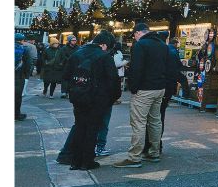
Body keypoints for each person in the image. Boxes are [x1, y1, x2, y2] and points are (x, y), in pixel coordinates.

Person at [117, 21, 179, 167]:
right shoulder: (163, 46)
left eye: (135, 35)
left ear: (138, 33)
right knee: (155, 121)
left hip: (144, 89)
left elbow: (136, 69)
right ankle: (154, 152)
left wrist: (133, 88)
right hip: (160, 88)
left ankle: (134, 157)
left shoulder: (141, 45)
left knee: (138, 123)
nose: (135, 38)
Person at [59, 30, 121, 170]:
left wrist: (73, 91)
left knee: (79, 127)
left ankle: (75, 161)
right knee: (92, 129)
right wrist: (111, 99)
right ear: (104, 45)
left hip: (78, 98)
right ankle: (87, 161)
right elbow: (113, 81)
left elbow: (66, 75)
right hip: (97, 99)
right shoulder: (104, 57)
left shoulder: (77, 54)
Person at [95, 37, 128, 158]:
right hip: (105, 96)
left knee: (90, 122)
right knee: (103, 122)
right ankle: (100, 147)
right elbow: (113, 80)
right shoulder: (107, 58)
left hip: (89, 95)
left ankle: (89, 147)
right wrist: (115, 96)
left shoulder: (85, 54)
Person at [159, 34, 190, 143]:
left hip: (162, 80)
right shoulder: (174, 51)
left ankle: (155, 142)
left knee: (158, 113)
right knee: (184, 79)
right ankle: (186, 95)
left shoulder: (165, 49)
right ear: (175, 44)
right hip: (171, 77)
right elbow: (177, 64)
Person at [14, 36, 34, 121]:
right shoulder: (25, 49)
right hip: (19, 75)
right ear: (22, 40)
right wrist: (26, 74)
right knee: (17, 96)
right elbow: (29, 63)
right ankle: (16, 114)